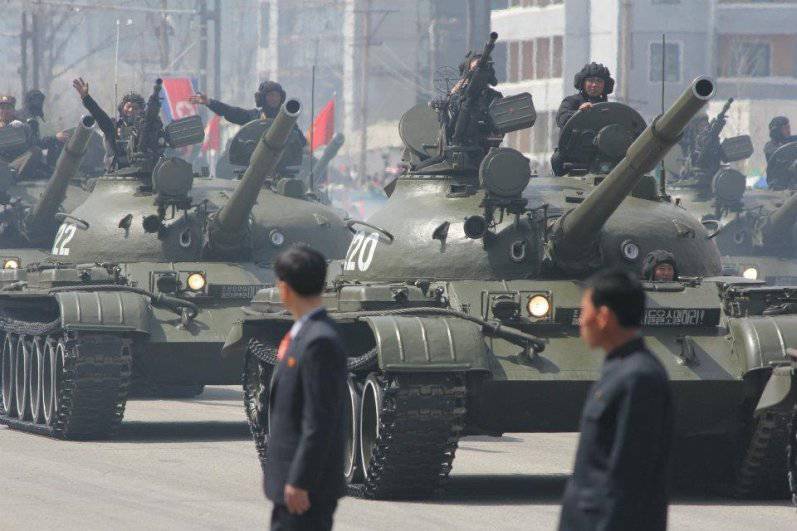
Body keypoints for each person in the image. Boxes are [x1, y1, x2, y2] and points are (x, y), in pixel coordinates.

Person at [559, 269, 673, 531]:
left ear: (604, 317)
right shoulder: (620, 371)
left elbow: (630, 479)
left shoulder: (638, 379)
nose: (580, 321)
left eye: (584, 311)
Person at [265, 245, 347, 531]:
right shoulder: (307, 334)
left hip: (305, 490)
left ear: (284, 289)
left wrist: (300, 480)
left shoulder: (318, 342)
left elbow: (319, 421)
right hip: (293, 484)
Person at [72, 77, 161, 172]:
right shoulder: (112, 127)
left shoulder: (146, 129)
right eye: (128, 106)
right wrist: (86, 98)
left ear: (141, 111)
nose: (131, 110)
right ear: (122, 108)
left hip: (144, 173)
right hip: (115, 173)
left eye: (135, 108)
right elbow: (99, 115)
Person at [551, 63, 615, 175]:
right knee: (556, 159)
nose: (594, 85)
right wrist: (578, 113)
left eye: (599, 81)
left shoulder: (610, 108)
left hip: (601, 158)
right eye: (590, 80)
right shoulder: (571, 102)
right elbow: (562, 118)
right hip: (571, 157)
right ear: (583, 82)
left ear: (605, 85)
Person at [189, 80, 287, 124]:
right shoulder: (254, 118)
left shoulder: (287, 121)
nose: (274, 99)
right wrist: (209, 102)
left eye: (277, 95)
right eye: (270, 95)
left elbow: (301, 145)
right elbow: (229, 111)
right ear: (262, 98)